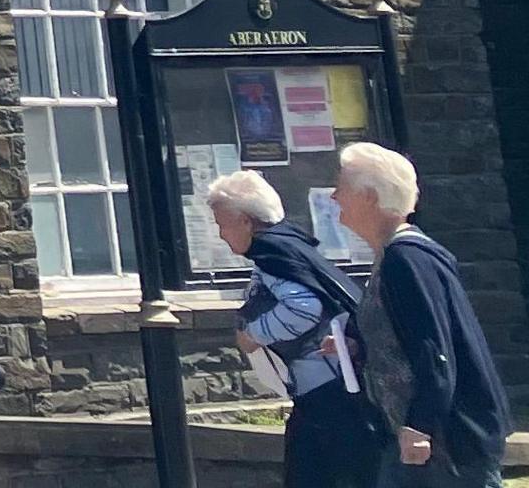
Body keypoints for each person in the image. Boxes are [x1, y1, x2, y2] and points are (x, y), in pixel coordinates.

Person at [335, 143, 511, 488]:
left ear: (369, 197)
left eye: (341, 187)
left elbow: (433, 348)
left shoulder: (407, 259)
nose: (333, 197)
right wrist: (358, 345)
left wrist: (420, 426)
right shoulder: (393, 256)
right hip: (413, 437)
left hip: (443, 443)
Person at [208, 170, 390, 488]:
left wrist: (253, 334)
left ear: (246, 221)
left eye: (222, 223)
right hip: (332, 389)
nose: (221, 234)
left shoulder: (273, 255)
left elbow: (303, 308)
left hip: (327, 393)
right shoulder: (292, 246)